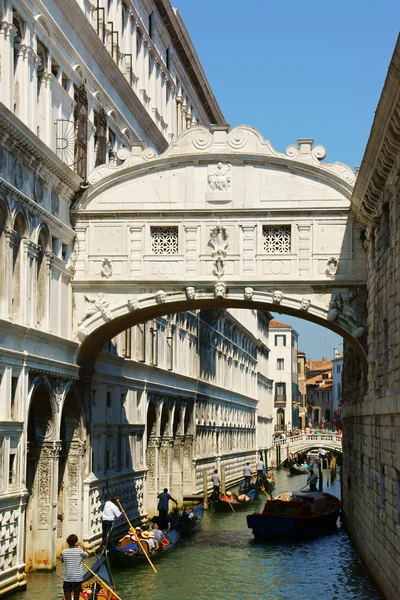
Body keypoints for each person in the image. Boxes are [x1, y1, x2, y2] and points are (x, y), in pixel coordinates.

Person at [61, 534, 88, 600]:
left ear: (68, 542)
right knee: (76, 593)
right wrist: (83, 546)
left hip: (68, 577)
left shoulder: (64, 552)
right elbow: (87, 555)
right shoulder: (80, 551)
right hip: (78, 577)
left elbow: (62, 560)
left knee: (67, 591)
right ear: (76, 542)